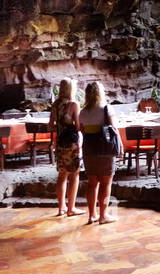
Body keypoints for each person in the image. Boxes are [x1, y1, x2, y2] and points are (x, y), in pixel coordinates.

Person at [78, 81, 119, 224]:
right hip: (104, 149)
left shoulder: (82, 112)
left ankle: (91, 215)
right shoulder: (107, 109)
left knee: (92, 183)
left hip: (88, 148)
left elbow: (81, 130)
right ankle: (103, 216)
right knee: (106, 183)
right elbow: (114, 129)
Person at [49, 78, 81, 217]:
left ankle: (61, 207)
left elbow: (50, 125)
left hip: (60, 142)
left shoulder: (55, 105)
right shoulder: (74, 104)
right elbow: (79, 126)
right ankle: (71, 208)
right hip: (72, 144)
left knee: (62, 176)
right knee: (74, 175)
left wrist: (60, 128)